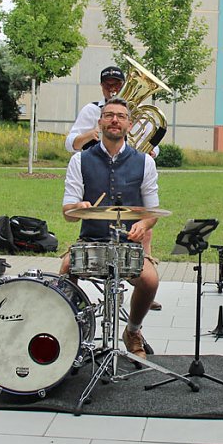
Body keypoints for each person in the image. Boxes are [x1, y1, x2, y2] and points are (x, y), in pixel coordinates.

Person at [62, 98, 160, 359]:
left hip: (128, 244)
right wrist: (77, 208)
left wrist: (142, 224)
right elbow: (67, 214)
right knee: (64, 270)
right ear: (100, 122)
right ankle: (71, 329)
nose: (114, 120)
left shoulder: (145, 162)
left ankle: (132, 330)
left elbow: (152, 212)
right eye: (109, 115)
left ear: (129, 124)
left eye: (120, 116)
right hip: (90, 240)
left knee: (150, 280)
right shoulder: (79, 160)